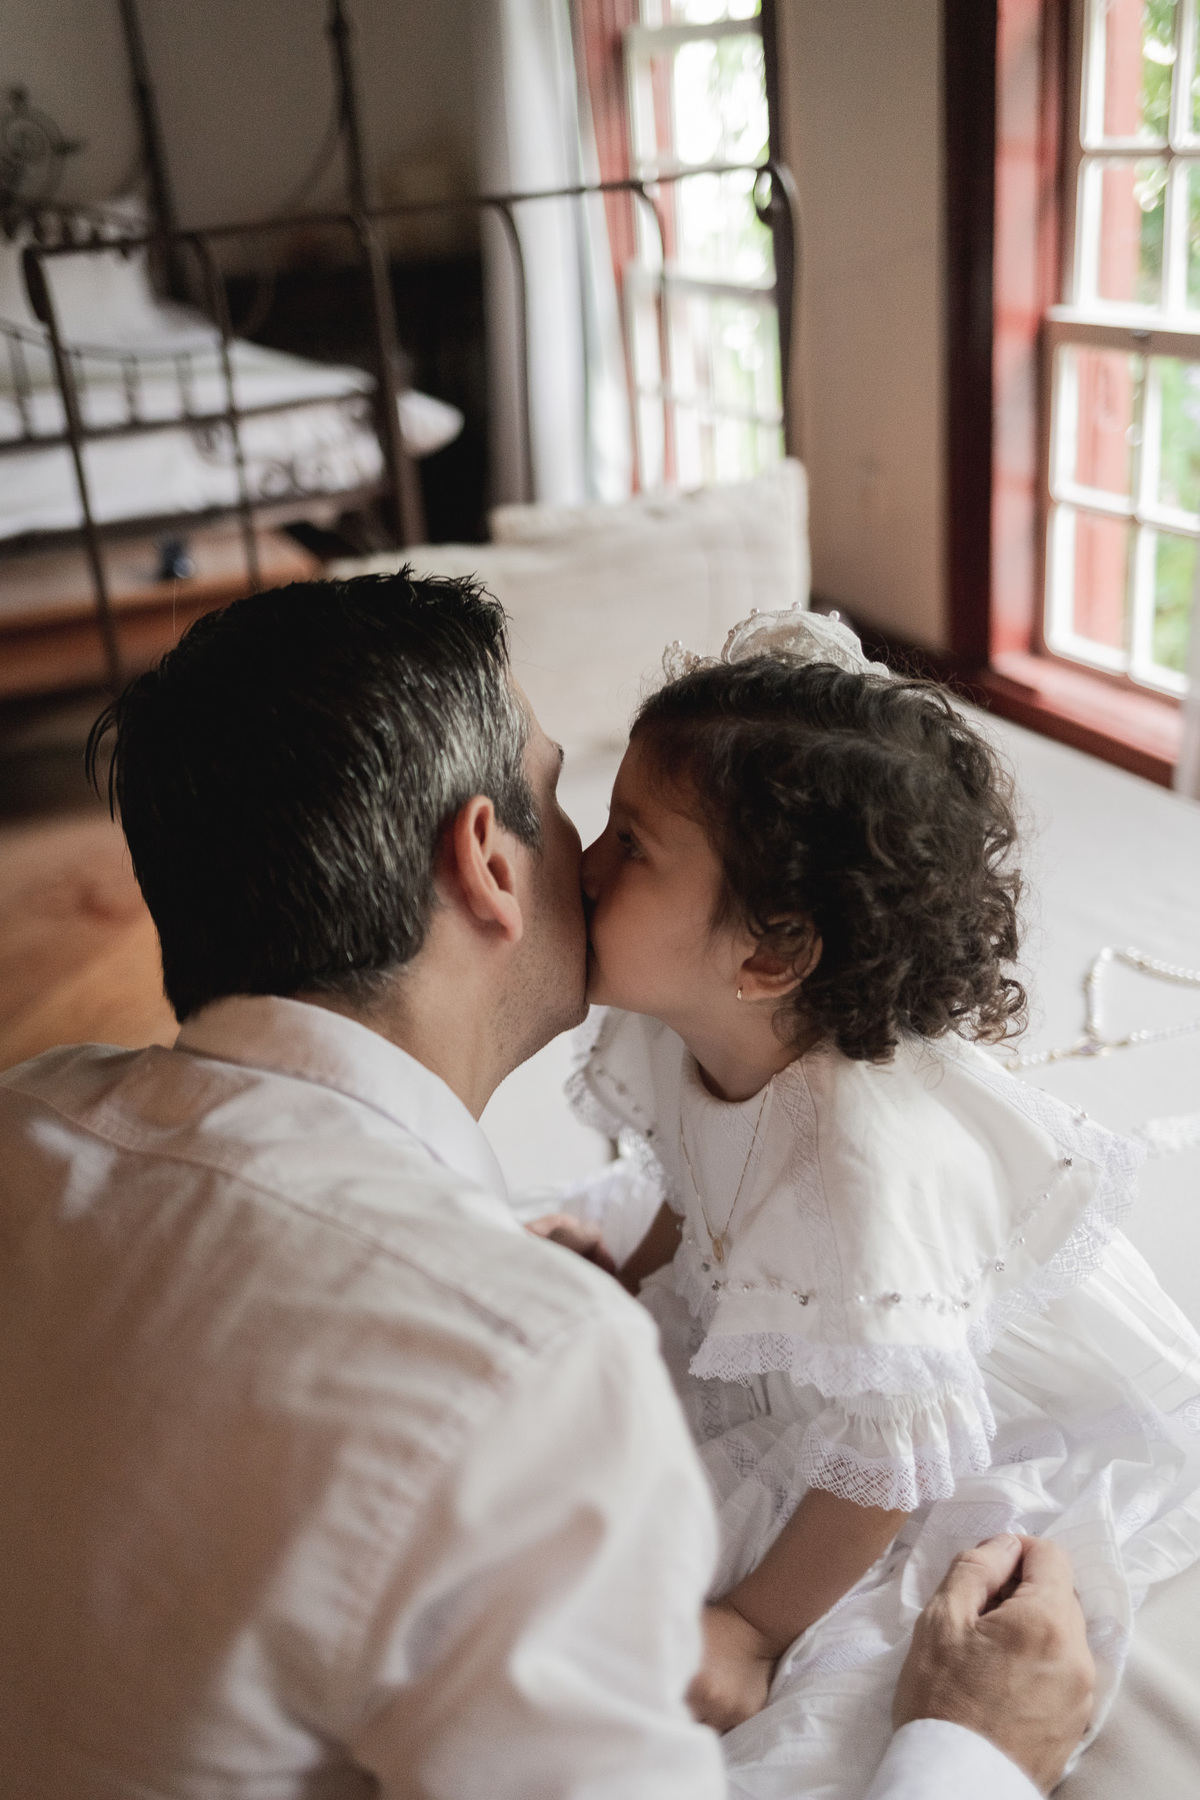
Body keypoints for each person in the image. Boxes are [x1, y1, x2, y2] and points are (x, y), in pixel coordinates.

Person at [0, 572, 1093, 1799]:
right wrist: (974, 1755)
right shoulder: (521, 1370)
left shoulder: (25, 1118)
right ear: (486, 861)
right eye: (569, 802)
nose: (590, 856)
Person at [566, 607, 1200, 1798]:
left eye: (631, 845)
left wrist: (752, 1627)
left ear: (769, 955)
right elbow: (691, 1178)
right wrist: (633, 1276)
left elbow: (888, 1463)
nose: (583, 865)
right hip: (817, 1335)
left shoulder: (862, 1173)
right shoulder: (677, 1016)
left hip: (913, 1406)